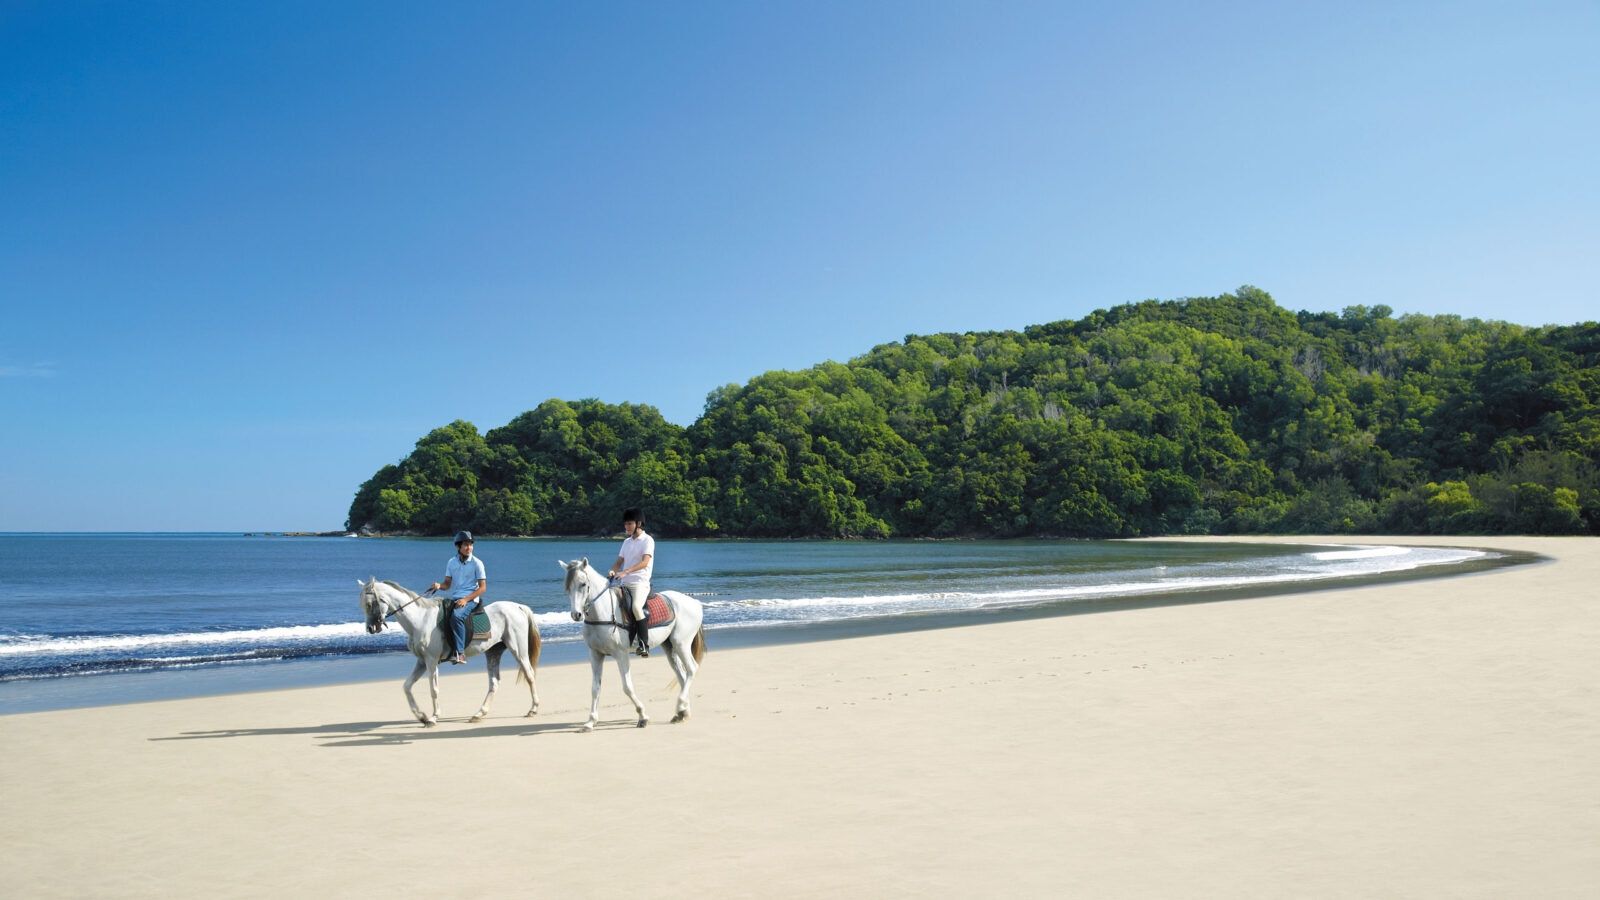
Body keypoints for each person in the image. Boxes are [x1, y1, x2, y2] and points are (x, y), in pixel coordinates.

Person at [429, 530, 486, 665]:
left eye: (471, 544)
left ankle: (460, 653)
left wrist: (466, 599)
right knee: (440, 616)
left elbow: (483, 588)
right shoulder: (451, 562)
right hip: (456, 598)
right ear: (458, 547)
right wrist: (438, 586)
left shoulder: (477, 563)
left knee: (457, 617)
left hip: (470, 599)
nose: (469, 548)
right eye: (466, 545)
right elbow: (447, 585)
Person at [607, 507, 655, 657]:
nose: (626, 527)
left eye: (629, 524)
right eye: (625, 524)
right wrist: (613, 570)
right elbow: (620, 561)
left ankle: (643, 644)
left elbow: (645, 562)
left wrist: (626, 571)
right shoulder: (626, 542)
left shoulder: (648, 540)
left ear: (638, 523)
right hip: (624, 582)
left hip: (640, 583)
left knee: (635, 607)